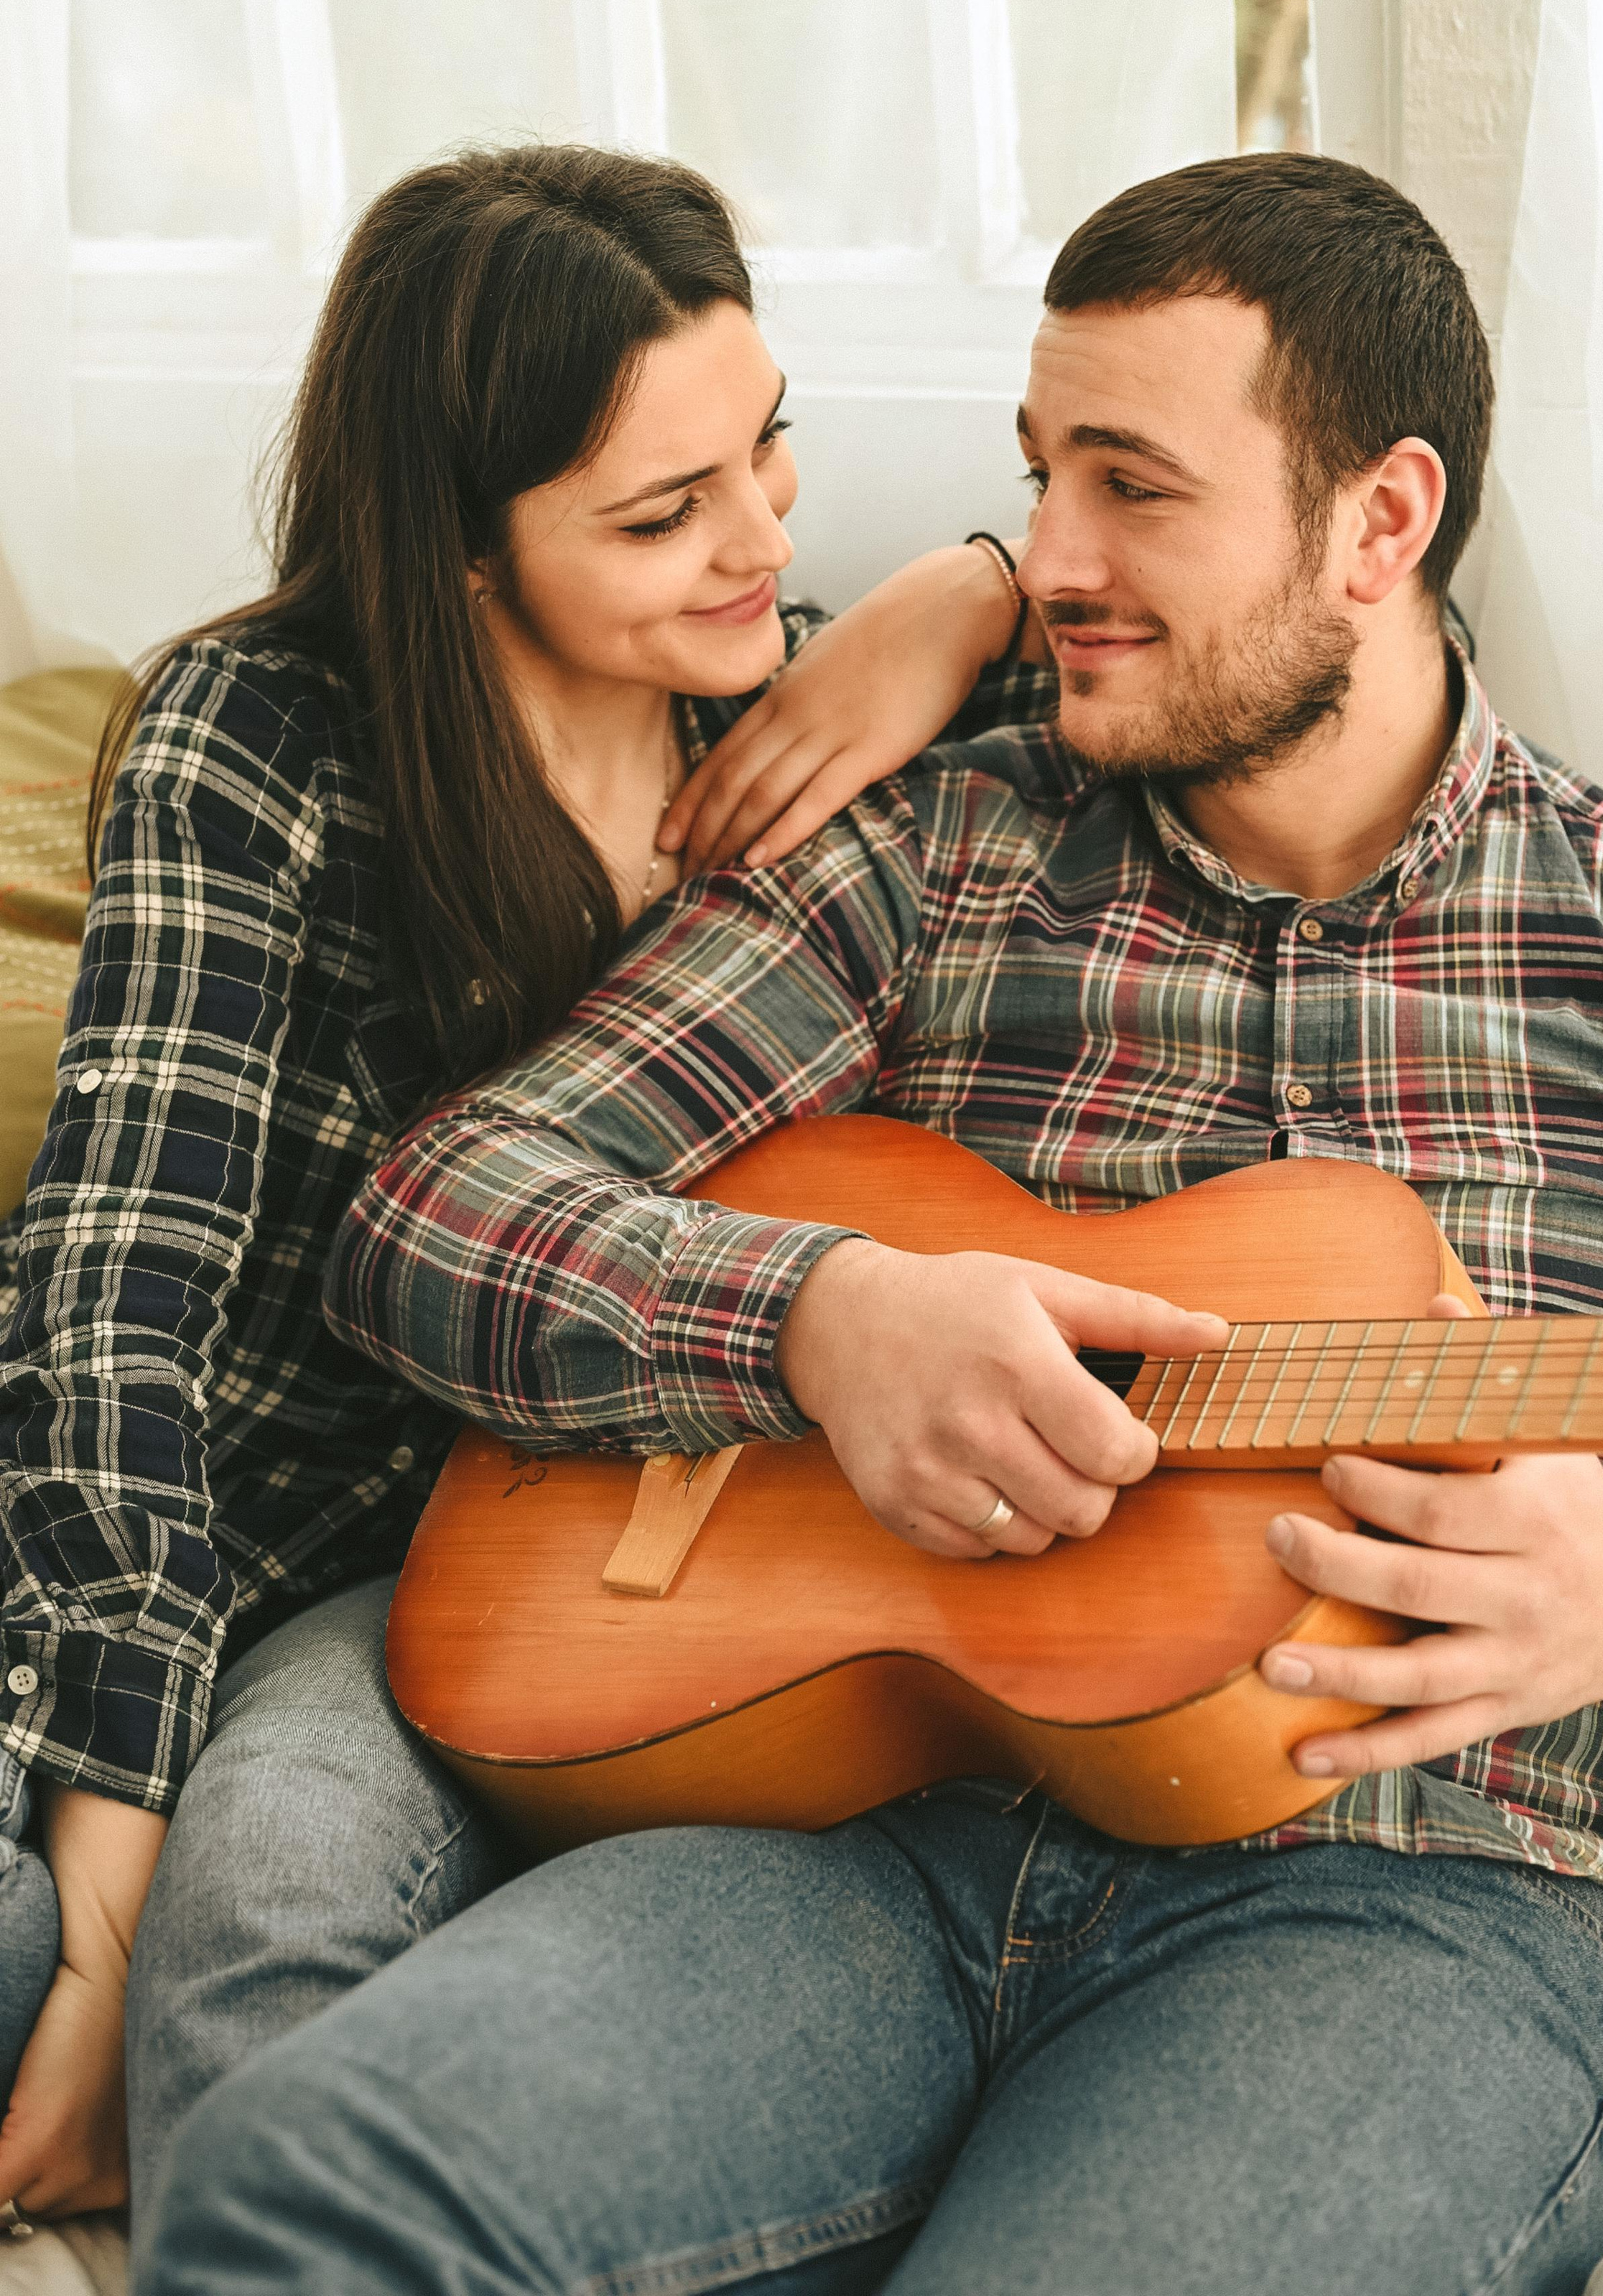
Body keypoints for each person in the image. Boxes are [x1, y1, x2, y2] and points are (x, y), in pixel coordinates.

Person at [144, 152, 1603, 2296]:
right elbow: (434, 1213)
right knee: (295, 2182)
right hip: (848, 1836)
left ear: (1380, 524)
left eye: (1132, 486)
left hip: (1398, 1904)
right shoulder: (931, 856)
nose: (1045, 561)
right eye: (1036, 476)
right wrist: (820, 1317)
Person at [0, 142, 1051, 2236]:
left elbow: (1309, 610)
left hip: (539, 1564)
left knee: (271, 1925)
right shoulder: (263, 735)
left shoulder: (813, 717)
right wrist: (105, 1896)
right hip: (187, 1546)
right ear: (462, 544)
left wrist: (978, 590)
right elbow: (114, 1309)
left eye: (770, 455)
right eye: (666, 515)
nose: (757, 540)